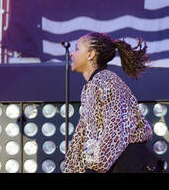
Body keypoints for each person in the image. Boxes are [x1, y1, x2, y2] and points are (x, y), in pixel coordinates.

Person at [63, 32, 164, 173]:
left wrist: (94, 167)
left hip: (132, 164)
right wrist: (73, 167)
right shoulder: (91, 86)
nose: (72, 54)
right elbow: (85, 134)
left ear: (90, 54)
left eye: (77, 49)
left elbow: (116, 128)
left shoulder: (107, 81)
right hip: (116, 164)